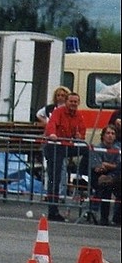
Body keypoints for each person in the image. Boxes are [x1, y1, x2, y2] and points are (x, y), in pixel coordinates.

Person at [43, 91, 87, 222]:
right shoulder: (58, 112)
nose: (73, 104)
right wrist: (52, 134)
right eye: (71, 101)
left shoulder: (79, 116)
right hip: (53, 147)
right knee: (54, 179)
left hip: (66, 146)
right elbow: (51, 125)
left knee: (87, 150)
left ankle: (82, 175)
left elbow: (82, 131)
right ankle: (52, 211)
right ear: (66, 102)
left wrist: (80, 137)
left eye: (75, 101)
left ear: (78, 103)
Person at [88, 125, 121, 226]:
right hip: (98, 177)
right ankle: (104, 218)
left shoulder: (117, 149)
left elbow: (119, 166)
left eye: (113, 134)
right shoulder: (97, 148)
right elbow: (98, 167)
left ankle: (117, 218)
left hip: (113, 177)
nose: (110, 136)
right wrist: (113, 166)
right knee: (105, 186)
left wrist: (106, 164)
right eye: (108, 133)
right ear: (103, 135)